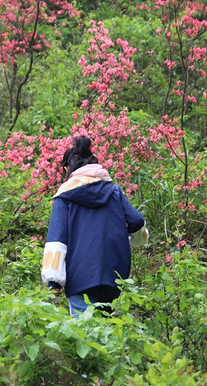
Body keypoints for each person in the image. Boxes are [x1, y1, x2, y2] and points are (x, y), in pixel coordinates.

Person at [41, 135, 148, 316]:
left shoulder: (64, 196)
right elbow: (137, 222)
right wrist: (125, 237)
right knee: (103, 331)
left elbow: (57, 240)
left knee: (85, 334)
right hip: (113, 273)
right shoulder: (113, 191)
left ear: (69, 167)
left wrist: (53, 281)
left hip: (79, 274)